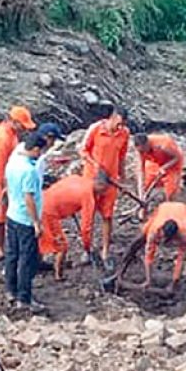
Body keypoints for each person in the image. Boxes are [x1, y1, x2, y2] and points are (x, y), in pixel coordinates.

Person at [118, 201, 186, 295]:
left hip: (182, 211)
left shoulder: (183, 233)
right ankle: (120, 272)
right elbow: (149, 255)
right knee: (137, 242)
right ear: (161, 231)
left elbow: (181, 258)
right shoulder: (154, 231)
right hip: (163, 210)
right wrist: (148, 280)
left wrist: (174, 281)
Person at [0, 106, 37, 263]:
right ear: (13, 122)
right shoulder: (3, 138)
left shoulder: (12, 133)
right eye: (22, 125)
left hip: (5, 180)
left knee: (2, 218)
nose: (24, 129)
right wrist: (5, 188)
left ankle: (1, 249)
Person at [4, 132, 47, 313]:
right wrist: (36, 222)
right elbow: (28, 198)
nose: (41, 154)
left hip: (12, 214)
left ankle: (10, 290)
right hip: (25, 219)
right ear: (35, 149)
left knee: (12, 254)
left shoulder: (13, 161)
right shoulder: (29, 171)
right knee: (26, 259)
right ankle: (24, 298)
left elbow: (7, 184)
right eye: (41, 151)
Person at [80, 105, 130, 262]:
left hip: (111, 180)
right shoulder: (96, 129)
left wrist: (122, 178)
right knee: (88, 215)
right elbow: (83, 150)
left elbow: (122, 157)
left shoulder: (124, 133)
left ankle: (105, 250)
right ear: (112, 117)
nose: (120, 127)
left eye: (123, 124)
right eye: (118, 123)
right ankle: (86, 248)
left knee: (107, 215)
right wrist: (94, 164)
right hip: (92, 180)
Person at [38, 171, 109, 280]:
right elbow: (86, 227)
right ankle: (58, 275)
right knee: (62, 246)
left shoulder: (78, 178)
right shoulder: (88, 197)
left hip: (41, 201)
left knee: (40, 238)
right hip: (48, 212)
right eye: (103, 190)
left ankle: (38, 263)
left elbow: (64, 189)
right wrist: (87, 246)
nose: (103, 193)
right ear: (99, 184)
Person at [134, 133, 184, 204]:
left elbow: (177, 157)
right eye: (140, 151)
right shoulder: (140, 150)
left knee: (171, 191)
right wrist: (141, 193)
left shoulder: (164, 145)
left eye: (143, 150)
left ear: (147, 144)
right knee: (146, 184)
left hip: (172, 162)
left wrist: (164, 167)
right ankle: (145, 205)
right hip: (155, 161)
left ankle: (170, 205)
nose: (142, 153)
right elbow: (140, 170)